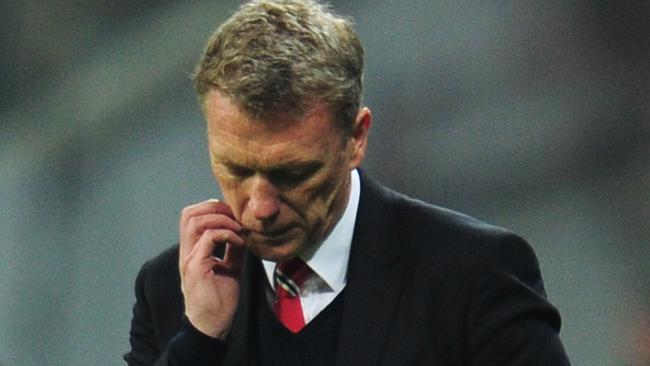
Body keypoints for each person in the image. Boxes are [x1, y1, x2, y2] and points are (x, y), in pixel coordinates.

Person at [124, 0, 571, 365]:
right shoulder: (170, 291)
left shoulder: (472, 277)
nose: (260, 206)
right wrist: (199, 342)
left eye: (293, 173)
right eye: (236, 170)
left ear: (355, 138)